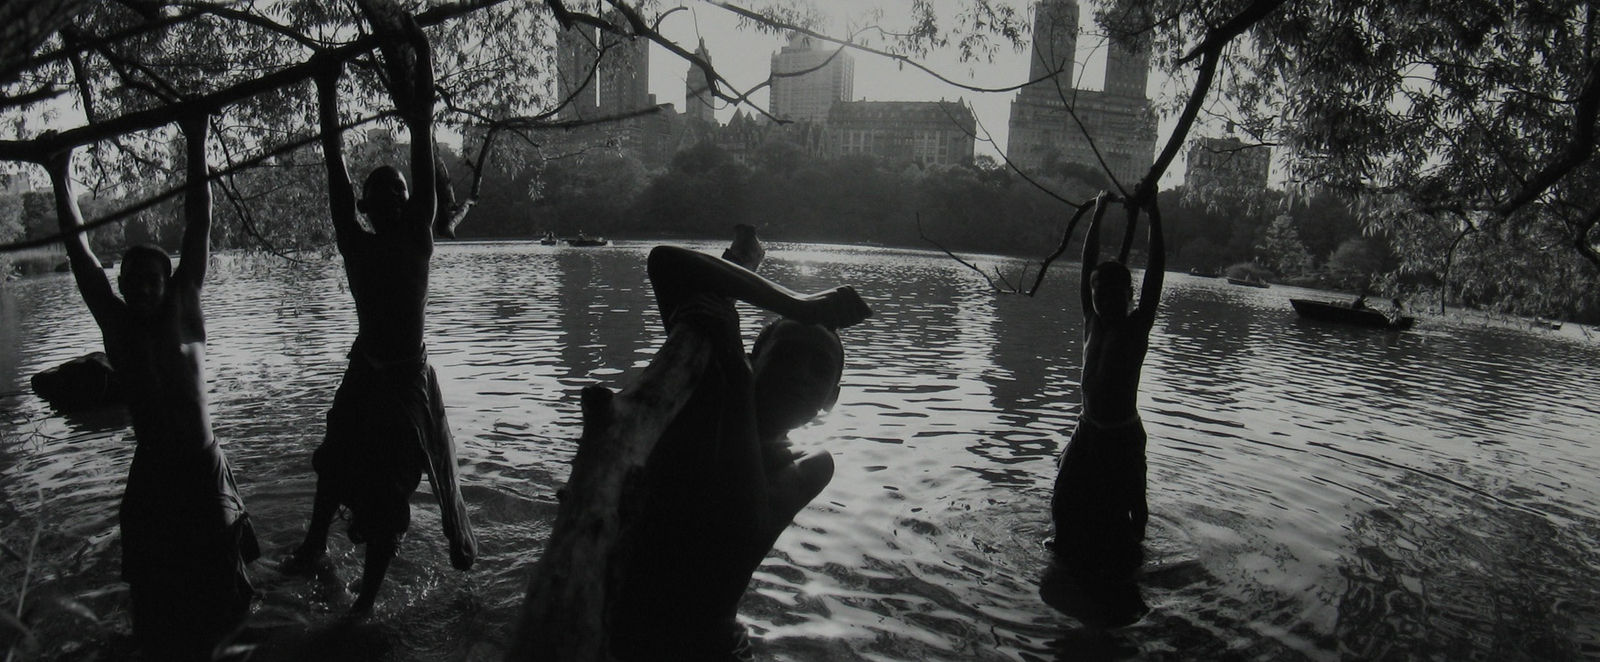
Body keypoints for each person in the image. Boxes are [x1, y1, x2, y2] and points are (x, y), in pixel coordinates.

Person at [44, 115, 260, 659]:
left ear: (168, 285)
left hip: (201, 464)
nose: (142, 287)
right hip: (154, 471)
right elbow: (81, 255)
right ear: (121, 286)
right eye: (133, 280)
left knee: (224, 590)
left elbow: (198, 223)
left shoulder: (184, 312)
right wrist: (58, 174)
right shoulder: (116, 329)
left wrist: (195, 135)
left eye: (152, 280)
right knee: (148, 581)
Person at [280, 22, 475, 614]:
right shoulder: (356, 245)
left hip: (406, 382)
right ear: (366, 207)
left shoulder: (419, 238)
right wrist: (326, 91)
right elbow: (334, 163)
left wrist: (422, 63)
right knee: (335, 460)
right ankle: (316, 545)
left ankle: (365, 603)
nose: (391, 197)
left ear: (411, 203)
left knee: (391, 490)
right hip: (365, 373)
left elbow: (420, 132)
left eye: (400, 191)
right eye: (379, 193)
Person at [606, 236, 870, 661]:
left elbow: (741, 525)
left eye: (818, 370)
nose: (801, 375)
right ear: (756, 359)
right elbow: (666, 262)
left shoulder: (809, 464)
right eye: (787, 355)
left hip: (708, 650)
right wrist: (797, 305)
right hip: (613, 627)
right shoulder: (699, 391)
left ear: (831, 401)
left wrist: (733, 361)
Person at [1049, 193, 1163, 582]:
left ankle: (1130, 568)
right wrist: (1097, 213)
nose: (1102, 299)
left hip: (1122, 435)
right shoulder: (1090, 320)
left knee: (1133, 512)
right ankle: (1069, 559)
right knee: (1063, 502)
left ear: (1127, 297)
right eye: (1098, 293)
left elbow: (1156, 272)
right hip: (1087, 429)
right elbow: (1086, 266)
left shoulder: (1136, 327)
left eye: (1112, 294)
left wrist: (1155, 216)